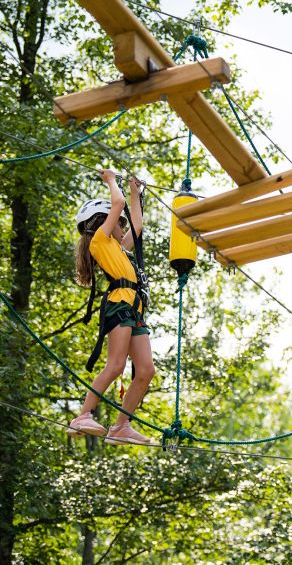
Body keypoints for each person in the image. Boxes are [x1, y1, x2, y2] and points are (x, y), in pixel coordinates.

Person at [67, 170, 155, 445]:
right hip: (119, 306)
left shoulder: (116, 247)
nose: (122, 225)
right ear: (102, 221)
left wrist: (133, 192)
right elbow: (116, 207)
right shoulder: (99, 242)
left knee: (146, 371)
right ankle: (83, 415)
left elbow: (137, 226)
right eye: (117, 221)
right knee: (116, 364)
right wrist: (110, 181)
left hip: (134, 308)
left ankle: (120, 427)